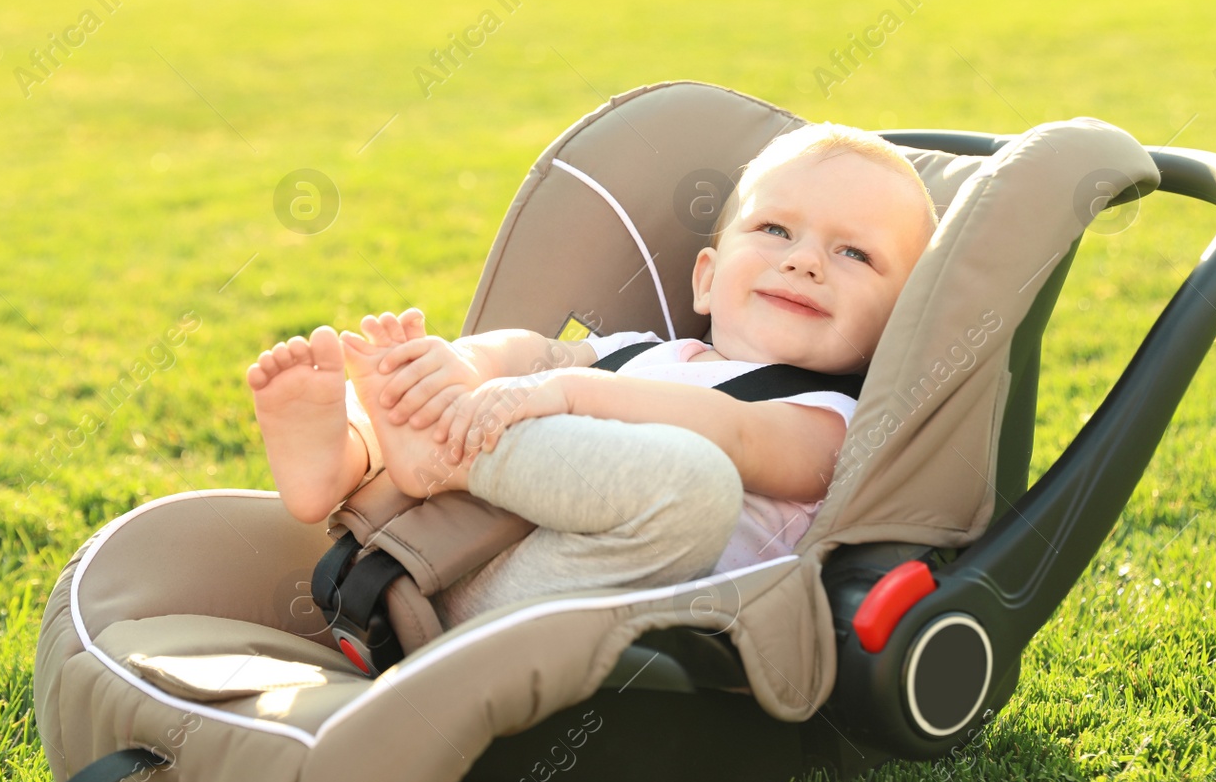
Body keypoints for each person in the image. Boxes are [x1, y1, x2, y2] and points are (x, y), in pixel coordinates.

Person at [246, 122, 938, 630]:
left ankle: (437, 454)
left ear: (898, 322)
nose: (806, 261)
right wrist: (461, 367)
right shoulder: (646, 353)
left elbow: (740, 433)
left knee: (697, 480)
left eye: (854, 253)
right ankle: (347, 457)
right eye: (775, 231)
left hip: (561, 608)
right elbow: (529, 354)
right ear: (705, 279)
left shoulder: (832, 419)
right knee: (477, 388)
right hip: (457, 561)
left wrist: (569, 394)